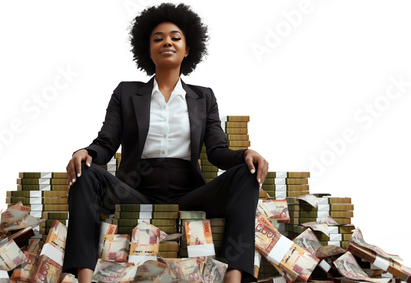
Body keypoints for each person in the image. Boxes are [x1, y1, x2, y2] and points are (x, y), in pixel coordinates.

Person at [63, 3, 268, 282]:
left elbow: (218, 152)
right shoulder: (126, 92)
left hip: (188, 194)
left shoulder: (204, 97)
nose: (167, 42)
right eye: (158, 38)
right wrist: (85, 152)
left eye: (175, 37)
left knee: (247, 173)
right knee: (84, 173)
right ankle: (83, 276)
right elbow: (107, 142)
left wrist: (246, 153)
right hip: (134, 191)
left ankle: (234, 275)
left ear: (187, 49)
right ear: (148, 51)